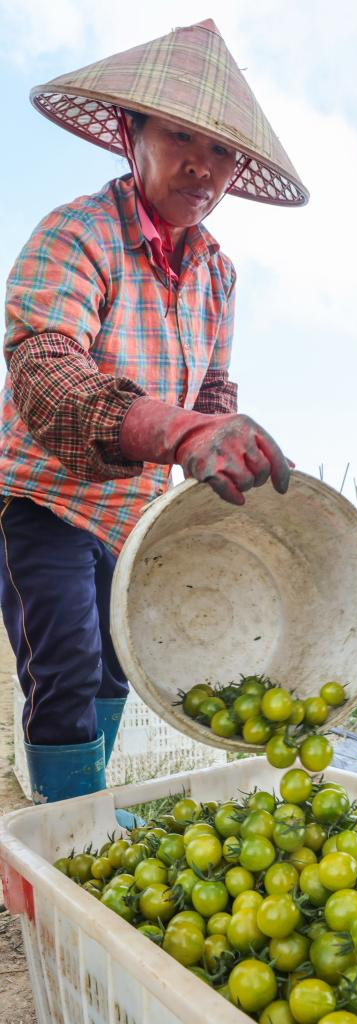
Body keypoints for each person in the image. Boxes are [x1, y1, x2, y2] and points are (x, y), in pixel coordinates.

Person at [0, 19, 308, 803]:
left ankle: (89, 807)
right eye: (179, 136)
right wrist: (180, 432)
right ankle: (69, 829)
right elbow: (47, 373)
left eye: (222, 150)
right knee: (66, 665)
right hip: (41, 499)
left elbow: (213, 390)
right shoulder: (77, 233)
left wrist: (220, 434)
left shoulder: (217, 273)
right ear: (129, 134)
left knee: (115, 666)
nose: (202, 165)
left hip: (131, 514)